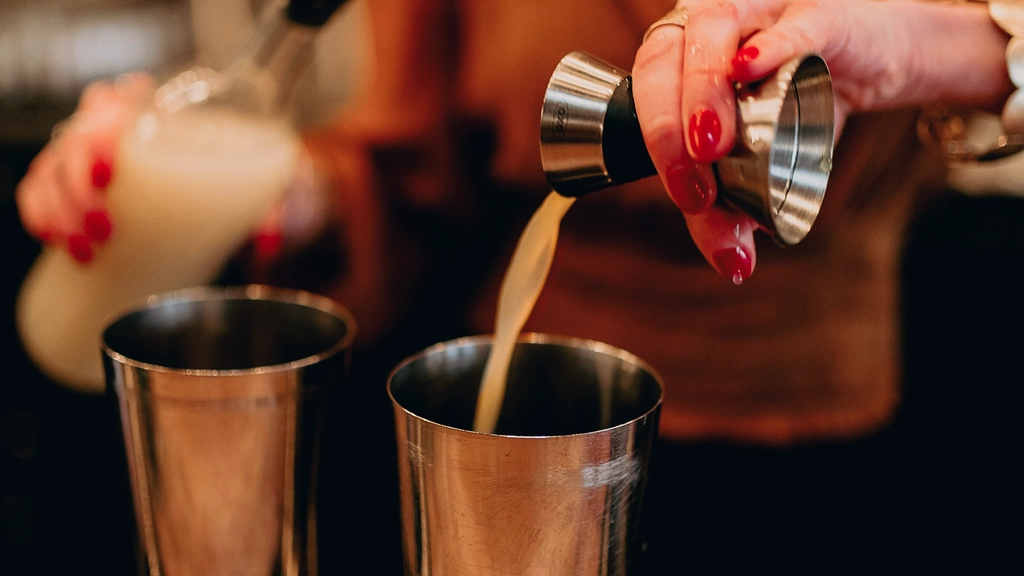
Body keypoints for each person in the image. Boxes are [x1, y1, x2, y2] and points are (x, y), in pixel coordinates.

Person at [14, 0, 1020, 571]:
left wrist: (939, 42)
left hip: (829, 462)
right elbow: (410, 169)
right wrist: (280, 188)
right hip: (496, 450)